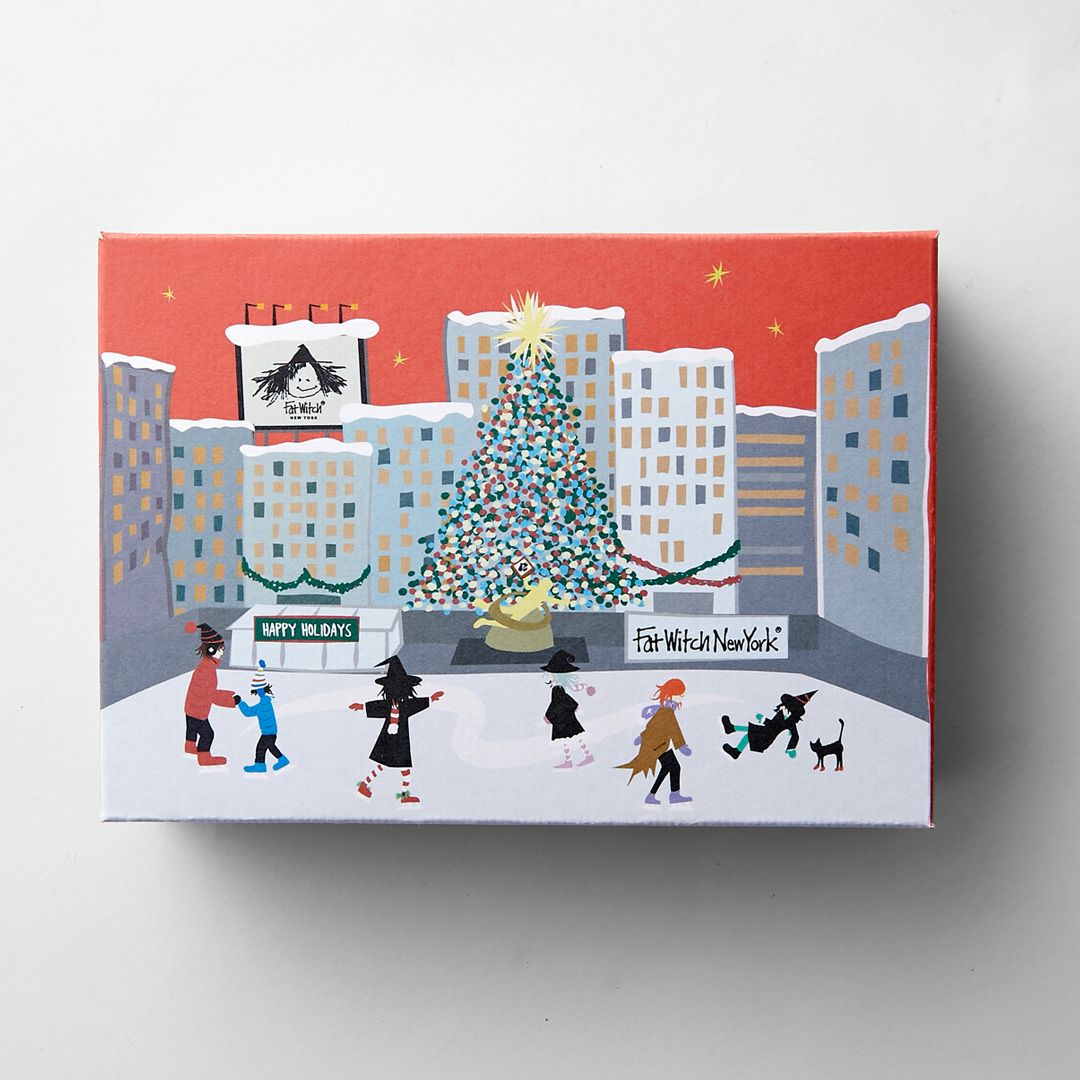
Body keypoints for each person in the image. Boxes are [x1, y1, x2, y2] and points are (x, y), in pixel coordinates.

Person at [349, 656, 444, 805]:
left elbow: (417, 704)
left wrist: (431, 699)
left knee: (387, 766)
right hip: (392, 740)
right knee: (397, 768)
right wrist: (361, 706)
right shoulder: (389, 705)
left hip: (397, 740)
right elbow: (376, 707)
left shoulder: (405, 706)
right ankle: (402, 795)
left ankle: (368, 786)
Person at [616, 678, 693, 805]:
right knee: (674, 767)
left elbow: (653, 725)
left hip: (659, 744)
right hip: (658, 745)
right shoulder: (667, 710)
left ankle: (654, 795)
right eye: (680, 695)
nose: (682, 698)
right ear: (672, 694)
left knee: (668, 767)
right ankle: (672, 795)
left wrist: (642, 737)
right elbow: (673, 729)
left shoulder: (665, 709)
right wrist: (681, 746)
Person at [182, 621, 238, 767]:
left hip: (191, 708)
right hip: (198, 711)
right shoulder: (208, 671)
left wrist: (228, 693)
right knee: (208, 734)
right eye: (221, 649)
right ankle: (204, 758)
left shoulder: (203, 666)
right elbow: (211, 695)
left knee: (191, 728)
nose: (222, 652)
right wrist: (232, 701)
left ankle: (190, 747)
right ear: (212, 650)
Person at [721, 690, 817, 760]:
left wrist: (791, 748)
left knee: (749, 733)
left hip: (766, 738)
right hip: (766, 732)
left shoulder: (789, 721)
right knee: (749, 734)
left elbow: (793, 734)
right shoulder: (782, 713)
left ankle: (733, 734)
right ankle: (733, 735)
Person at [541, 650, 595, 768]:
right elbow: (573, 690)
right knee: (574, 738)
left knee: (569, 739)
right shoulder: (558, 687)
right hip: (566, 716)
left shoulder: (557, 689)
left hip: (563, 718)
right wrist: (586, 687)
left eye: (551, 672)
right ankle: (581, 758)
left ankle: (578, 759)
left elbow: (555, 703)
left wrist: (548, 715)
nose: (549, 674)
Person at [236, 661, 289, 774]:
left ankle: (281, 759)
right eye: (258, 690)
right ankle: (260, 765)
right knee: (262, 748)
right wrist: (240, 703)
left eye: (259, 690)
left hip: (269, 733)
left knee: (268, 746)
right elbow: (249, 712)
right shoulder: (264, 704)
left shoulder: (263, 705)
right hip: (268, 732)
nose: (259, 692)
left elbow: (249, 712)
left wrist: (240, 702)